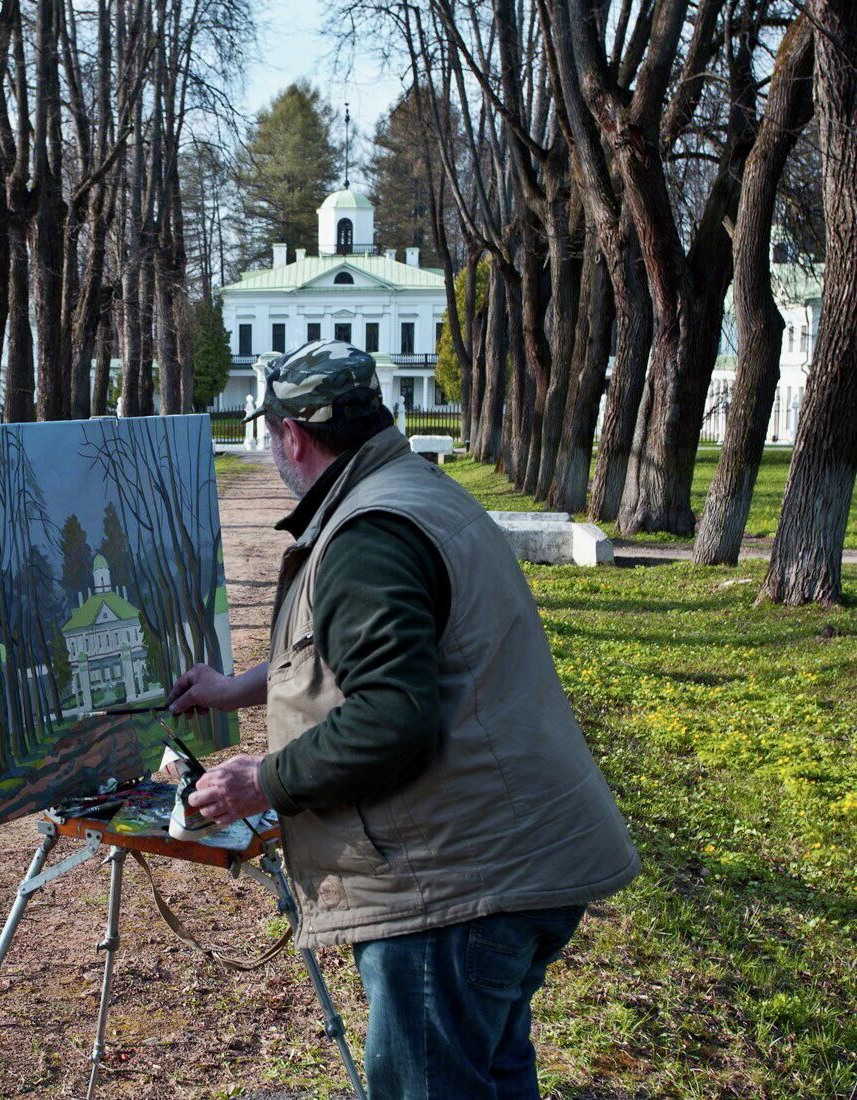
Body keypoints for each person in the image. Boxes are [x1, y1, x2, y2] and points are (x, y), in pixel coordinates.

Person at [167, 340, 639, 1100]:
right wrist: (234, 690)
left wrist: (266, 780)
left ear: (292, 436)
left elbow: (392, 719)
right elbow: (357, 652)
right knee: (489, 1071)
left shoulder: (369, 535)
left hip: (457, 887)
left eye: (272, 434)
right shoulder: (408, 489)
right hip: (515, 862)